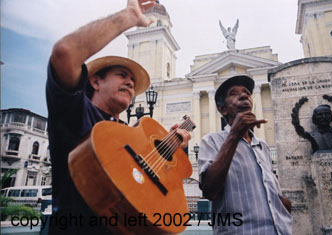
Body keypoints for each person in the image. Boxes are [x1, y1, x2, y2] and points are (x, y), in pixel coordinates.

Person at [46, 0, 191, 234]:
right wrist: (127, 17)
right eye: (122, 75)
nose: (130, 83)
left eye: (133, 82)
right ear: (95, 81)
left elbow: (152, 182)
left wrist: (176, 149)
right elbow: (65, 53)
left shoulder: (128, 130)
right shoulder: (77, 111)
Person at [198, 75, 292, 235]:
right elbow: (210, 190)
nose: (244, 95)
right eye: (233, 93)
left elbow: (275, 195)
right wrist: (234, 133)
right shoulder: (211, 142)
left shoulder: (262, 146)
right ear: (222, 109)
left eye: (247, 93)